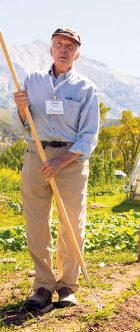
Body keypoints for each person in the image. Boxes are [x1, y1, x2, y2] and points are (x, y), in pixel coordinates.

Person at [12, 27, 99, 310]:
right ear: (51, 50)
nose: (64, 49)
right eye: (59, 44)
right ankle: (43, 286)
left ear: (77, 53)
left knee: (71, 223)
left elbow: (89, 136)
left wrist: (61, 161)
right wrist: (21, 109)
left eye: (70, 46)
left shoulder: (86, 88)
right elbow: (23, 125)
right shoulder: (32, 81)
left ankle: (67, 286)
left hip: (70, 161)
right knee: (36, 223)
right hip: (36, 156)